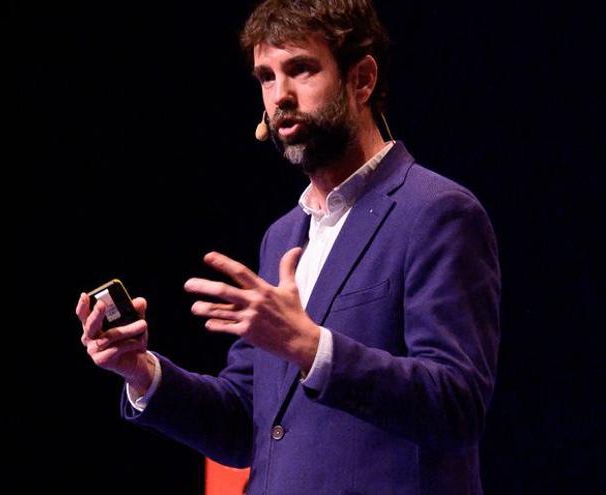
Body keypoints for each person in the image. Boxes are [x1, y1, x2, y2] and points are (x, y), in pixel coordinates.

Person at [75, 0, 500, 493]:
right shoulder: (283, 236)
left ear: (361, 80)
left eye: (301, 69)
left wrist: (313, 347)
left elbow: (457, 406)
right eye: (267, 76)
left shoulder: (436, 212)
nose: (280, 96)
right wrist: (143, 372)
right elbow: (246, 424)